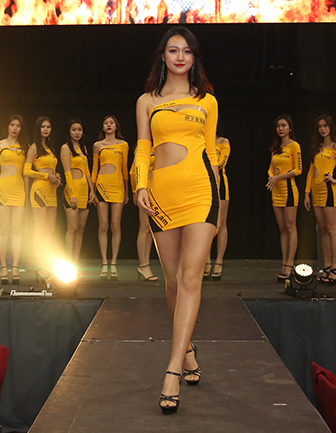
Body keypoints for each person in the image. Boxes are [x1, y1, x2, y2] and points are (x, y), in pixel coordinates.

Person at [135, 26, 219, 415]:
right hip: (161, 194)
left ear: (194, 57)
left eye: (187, 51)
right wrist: (140, 185)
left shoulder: (207, 101)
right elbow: (143, 147)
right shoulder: (146, 101)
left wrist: (220, 204)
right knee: (171, 282)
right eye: (173, 50)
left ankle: (171, 371)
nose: (180, 57)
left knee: (190, 278)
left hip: (201, 192)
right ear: (163, 56)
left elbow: (212, 154)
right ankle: (186, 351)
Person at [304, 114, 336, 285]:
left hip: (328, 191)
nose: (322, 129)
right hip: (316, 192)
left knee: (331, 229)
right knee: (323, 229)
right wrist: (306, 193)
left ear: (331, 127)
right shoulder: (317, 147)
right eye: (320, 126)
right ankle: (326, 266)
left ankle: (335, 267)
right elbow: (311, 171)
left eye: (325, 125)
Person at [24, 116, 61, 282]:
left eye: (48, 127)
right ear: (38, 129)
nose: (46, 129)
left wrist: (56, 175)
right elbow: (26, 171)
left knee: (50, 230)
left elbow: (51, 168)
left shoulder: (50, 148)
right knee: (39, 229)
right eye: (43, 127)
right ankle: (39, 265)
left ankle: (47, 262)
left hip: (52, 190)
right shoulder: (34, 147)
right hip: (39, 190)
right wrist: (47, 176)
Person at [92, 115, 129, 280]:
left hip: (118, 186)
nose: (108, 125)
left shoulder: (123, 144)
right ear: (103, 127)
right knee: (103, 225)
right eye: (105, 123)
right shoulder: (97, 145)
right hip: (101, 185)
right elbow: (94, 168)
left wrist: (127, 191)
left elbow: (125, 168)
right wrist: (92, 190)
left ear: (116, 126)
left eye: (111, 122)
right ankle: (104, 262)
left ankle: (113, 262)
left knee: (115, 225)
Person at [0, 114, 26, 284]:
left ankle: (16, 266)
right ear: (7, 126)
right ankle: (3, 266)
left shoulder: (24, 147)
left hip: (19, 190)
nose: (15, 128)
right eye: (12, 125)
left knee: (18, 229)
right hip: (2, 189)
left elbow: (27, 171)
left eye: (18, 126)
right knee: (3, 229)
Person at [267, 114, 301, 283]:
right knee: (282, 229)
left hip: (289, 191)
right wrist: (271, 177)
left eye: (284, 125)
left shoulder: (294, 146)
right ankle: (284, 263)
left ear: (290, 128)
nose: (281, 129)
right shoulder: (276, 148)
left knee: (290, 226)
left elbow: (298, 169)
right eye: (278, 126)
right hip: (276, 191)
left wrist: (278, 177)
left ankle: (289, 264)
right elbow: (270, 167)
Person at [61, 118, 95, 265]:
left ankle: (75, 262)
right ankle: (68, 263)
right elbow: (67, 172)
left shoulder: (83, 148)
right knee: (72, 228)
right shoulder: (65, 148)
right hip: (72, 191)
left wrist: (91, 190)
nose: (77, 132)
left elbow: (87, 171)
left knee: (81, 229)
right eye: (74, 129)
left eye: (79, 130)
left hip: (84, 191)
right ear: (69, 131)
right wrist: (72, 194)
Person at [204, 136, 230, 281]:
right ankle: (206, 261)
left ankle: (219, 261)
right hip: (203, 184)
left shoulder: (223, 142)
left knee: (222, 223)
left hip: (220, 183)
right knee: (206, 223)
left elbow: (221, 163)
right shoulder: (201, 139)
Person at [131, 149, 159, 282]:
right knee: (144, 227)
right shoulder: (143, 145)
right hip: (145, 190)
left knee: (151, 229)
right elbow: (134, 170)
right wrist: (136, 191)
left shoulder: (160, 144)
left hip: (159, 189)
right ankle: (143, 265)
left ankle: (146, 264)